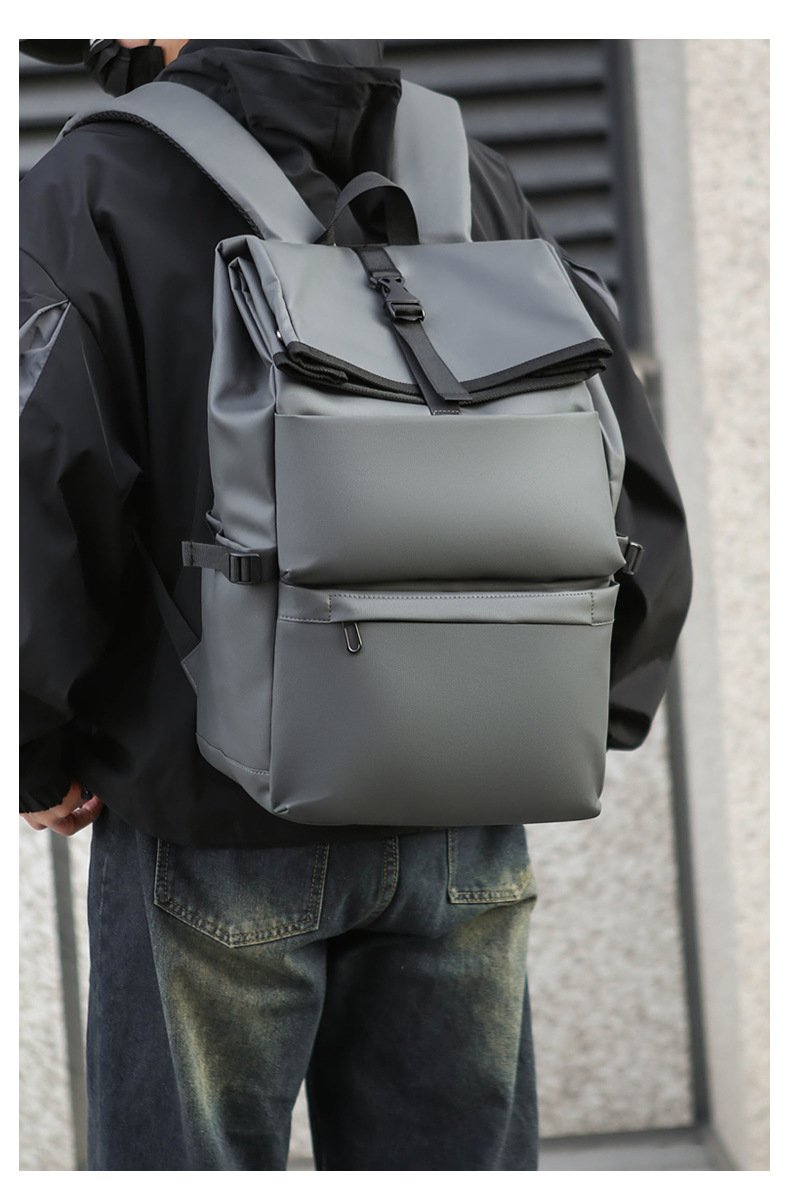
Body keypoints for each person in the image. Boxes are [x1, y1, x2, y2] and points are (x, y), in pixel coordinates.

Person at [19, 40, 691, 1170]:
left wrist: (39, 750)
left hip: (214, 810)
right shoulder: (468, 168)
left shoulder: (91, 183)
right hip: (467, 799)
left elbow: (44, 483)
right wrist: (600, 698)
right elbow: (617, 452)